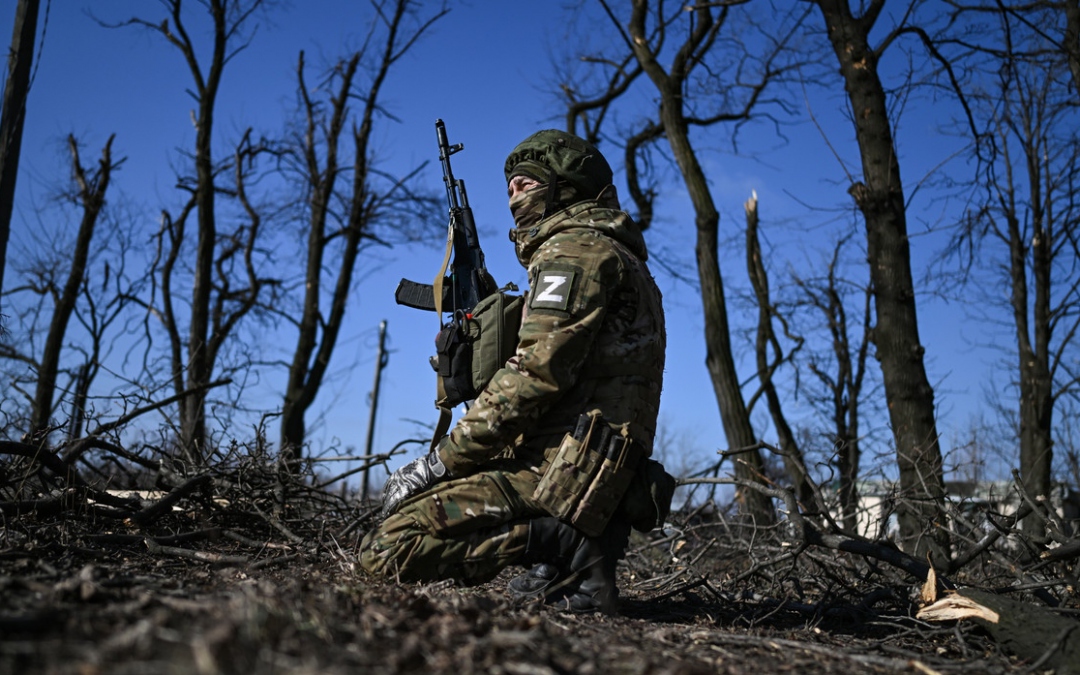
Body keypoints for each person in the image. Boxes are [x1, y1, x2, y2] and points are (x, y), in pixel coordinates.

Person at [359, 128, 666, 613]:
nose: (514, 196)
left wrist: (440, 462)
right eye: (510, 187)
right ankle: (562, 558)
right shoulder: (612, 253)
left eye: (528, 184)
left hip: (559, 472)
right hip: (586, 468)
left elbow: (534, 375)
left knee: (387, 548)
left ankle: (563, 543)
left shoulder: (575, 252)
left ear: (567, 187)